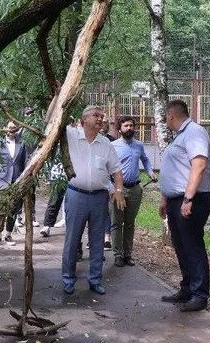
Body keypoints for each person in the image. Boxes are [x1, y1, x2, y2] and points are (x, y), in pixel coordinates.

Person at [61, 105, 126, 295]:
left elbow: (116, 171)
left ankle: (95, 280)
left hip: (99, 198)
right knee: (72, 240)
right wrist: (59, 97)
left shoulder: (106, 143)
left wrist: (119, 189)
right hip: (76, 195)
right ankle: (68, 279)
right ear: (84, 119)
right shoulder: (71, 135)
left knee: (97, 242)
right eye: (96, 116)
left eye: (102, 116)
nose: (101, 119)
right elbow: (51, 122)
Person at [158, 99, 210, 312]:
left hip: (192, 200)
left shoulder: (194, 132)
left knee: (193, 246)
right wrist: (165, 199)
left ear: (171, 115)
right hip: (176, 200)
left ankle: (200, 295)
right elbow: (175, 170)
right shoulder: (180, 135)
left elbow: (198, 166)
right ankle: (187, 288)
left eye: (166, 117)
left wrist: (188, 199)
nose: (165, 121)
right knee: (181, 246)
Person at [110, 115, 156, 267]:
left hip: (135, 189)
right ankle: (117, 255)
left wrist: (150, 171)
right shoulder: (113, 146)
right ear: (119, 129)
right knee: (117, 223)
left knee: (129, 223)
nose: (129, 128)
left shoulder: (139, 145)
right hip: (119, 189)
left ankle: (127, 255)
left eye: (131, 125)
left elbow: (145, 160)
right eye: (126, 126)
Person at [0, 121, 32, 243]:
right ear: (4, 128)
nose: (12, 130)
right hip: (2, 181)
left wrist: (25, 180)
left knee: (14, 209)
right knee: (0, 209)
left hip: (17, 181)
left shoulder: (22, 144)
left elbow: (25, 162)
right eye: (9, 127)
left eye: (14, 128)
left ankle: (8, 234)